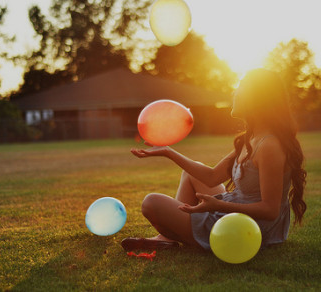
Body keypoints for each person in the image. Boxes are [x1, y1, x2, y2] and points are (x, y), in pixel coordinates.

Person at [121, 68, 307, 252]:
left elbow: (270, 210)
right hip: (234, 209)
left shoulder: (269, 145)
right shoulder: (250, 139)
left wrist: (219, 205)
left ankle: (174, 236)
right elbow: (211, 177)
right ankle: (167, 238)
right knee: (191, 174)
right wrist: (169, 152)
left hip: (249, 228)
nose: (234, 93)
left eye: (240, 88)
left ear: (256, 99)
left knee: (151, 203)